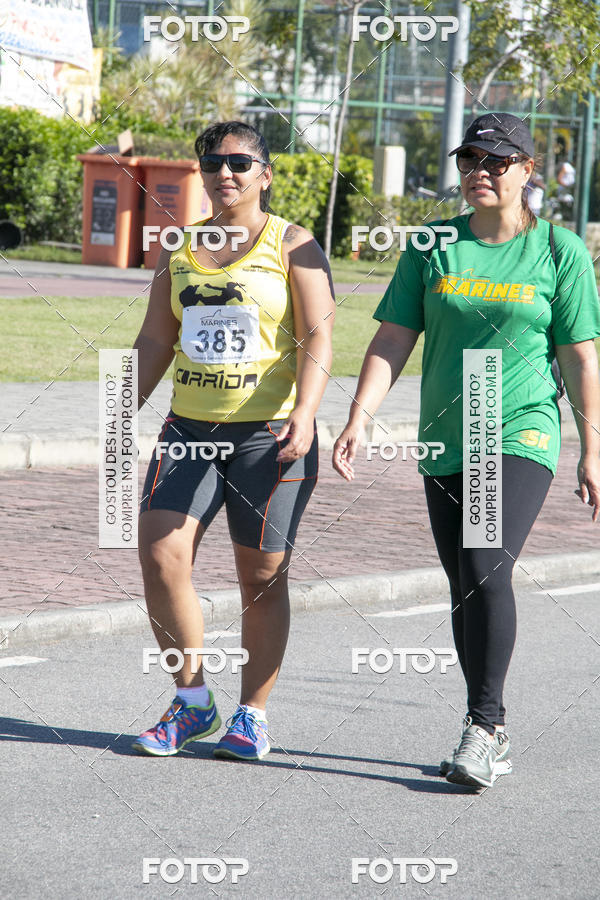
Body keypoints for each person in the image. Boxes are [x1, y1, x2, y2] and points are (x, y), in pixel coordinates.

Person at [333, 113, 600, 789]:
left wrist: (591, 449)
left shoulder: (559, 251)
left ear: (528, 170)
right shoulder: (433, 245)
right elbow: (395, 337)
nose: (481, 170)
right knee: (464, 584)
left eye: (497, 160)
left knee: (484, 560)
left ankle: (483, 729)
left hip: (520, 427)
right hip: (448, 434)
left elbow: (579, 356)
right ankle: (490, 726)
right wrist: (359, 416)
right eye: (470, 159)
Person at [131, 121, 335, 759]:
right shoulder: (180, 248)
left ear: (264, 174)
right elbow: (155, 342)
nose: (226, 172)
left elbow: (320, 337)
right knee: (162, 558)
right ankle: (192, 700)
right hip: (189, 428)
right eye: (213, 161)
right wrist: (114, 415)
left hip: (267, 436)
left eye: (240, 162)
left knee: (262, 577)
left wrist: (306, 412)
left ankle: (253, 714)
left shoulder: (293, 244)